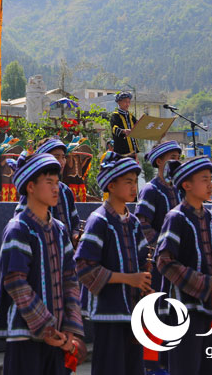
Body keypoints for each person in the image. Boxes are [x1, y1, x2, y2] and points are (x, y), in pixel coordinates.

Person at [0, 152, 85, 375]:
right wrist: (47, 328)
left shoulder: (60, 230)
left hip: (59, 338)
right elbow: (15, 282)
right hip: (25, 337)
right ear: (30, 187)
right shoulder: (18, 229)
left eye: (57, 182)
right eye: (49, 182)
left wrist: (71, 329)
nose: (55, 189)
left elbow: (71, 280)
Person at [156, 157, 212, 375]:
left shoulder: (210, 218)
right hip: (184, 309)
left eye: (210, 179)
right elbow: (164, 261)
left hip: (210, 308)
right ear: (186, 185)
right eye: (204, 179)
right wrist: (206, 282)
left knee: (211, 369)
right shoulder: (176, 217)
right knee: (186, 368)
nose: (211, 185)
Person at [75, 153, 152, 375]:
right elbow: (85, 267)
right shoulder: (98, 220)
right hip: (108, 311)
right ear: (111, 184)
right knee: (110, 368)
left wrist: (146, 286)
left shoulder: (134, 222)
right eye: (127, 181)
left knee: (134, 368)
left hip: (132, 309)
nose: (133, 187)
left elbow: (142, 262)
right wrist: (130, 279)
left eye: (134, 181)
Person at [134, 140, 181, 375]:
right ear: (159, 161)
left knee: (173, 315)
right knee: (154, 315)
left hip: (177, 266)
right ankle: (151, 366)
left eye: (178, 157)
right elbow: (142, 224)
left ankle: (168, 363)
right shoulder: (151, 190)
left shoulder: (182, 189)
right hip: (156, 263)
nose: (176, 161)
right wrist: (165, 247)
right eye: (171, 157)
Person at [16, 137, 81, 243]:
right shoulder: (33, 190)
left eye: (63, 157)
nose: (61, 162)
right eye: (56, 157)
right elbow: (21, 224)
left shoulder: (66, 191)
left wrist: (75, 236)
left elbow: (75, 221)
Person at [110, 91, 139, 157]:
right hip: (121, 152)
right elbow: (114, 129)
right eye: (125, 102)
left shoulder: (131, 116)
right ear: (119, 102)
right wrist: (124, 131)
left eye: (129, 102)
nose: (127, 104)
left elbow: (138, 126)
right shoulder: (115, 116)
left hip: (133, 152)